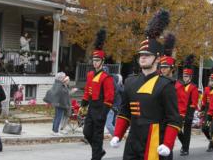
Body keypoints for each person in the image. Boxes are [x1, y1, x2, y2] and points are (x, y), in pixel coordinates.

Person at [110, 9, 181, 159]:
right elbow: (125, 113)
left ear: (157, 59)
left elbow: (173, 119)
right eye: (141, 55)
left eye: (147, 55)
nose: (142, 58)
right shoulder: (130, 81)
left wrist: (168, 144)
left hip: (155, 141)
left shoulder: (166, 85)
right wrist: (117, 134)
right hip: (133, 140)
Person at [79, 29, 114, 160]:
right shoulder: (90, 75)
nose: (95, 62)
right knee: (87, 132)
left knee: (97, 136)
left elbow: (110, 97)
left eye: (98, 60)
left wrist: (103, 113)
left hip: (101, 108)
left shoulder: (107, 77)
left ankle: (96, 157)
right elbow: (88, 90)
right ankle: (99, 151)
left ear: (102, 61)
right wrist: (84, 102)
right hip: (91, 107)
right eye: (94, 60)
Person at [178, 54, 199, 156]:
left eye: (186, 76)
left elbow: (194, 103)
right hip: (179, 111)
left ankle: (185, 148)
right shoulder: (180, 85)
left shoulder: (193, 87)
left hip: (188, 113)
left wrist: (189, 115)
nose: (184, 78)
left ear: (190, 77)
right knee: (177, 129)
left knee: (187, 131)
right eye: (183, 76)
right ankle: (184, 144)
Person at [200, 60, 213, 152]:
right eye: (209, 80)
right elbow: (204, 101)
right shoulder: (207, 89)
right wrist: (202, 110)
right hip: (208, 110)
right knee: (204, 128)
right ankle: (212, 141)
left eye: (212, 80)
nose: (209, 82)